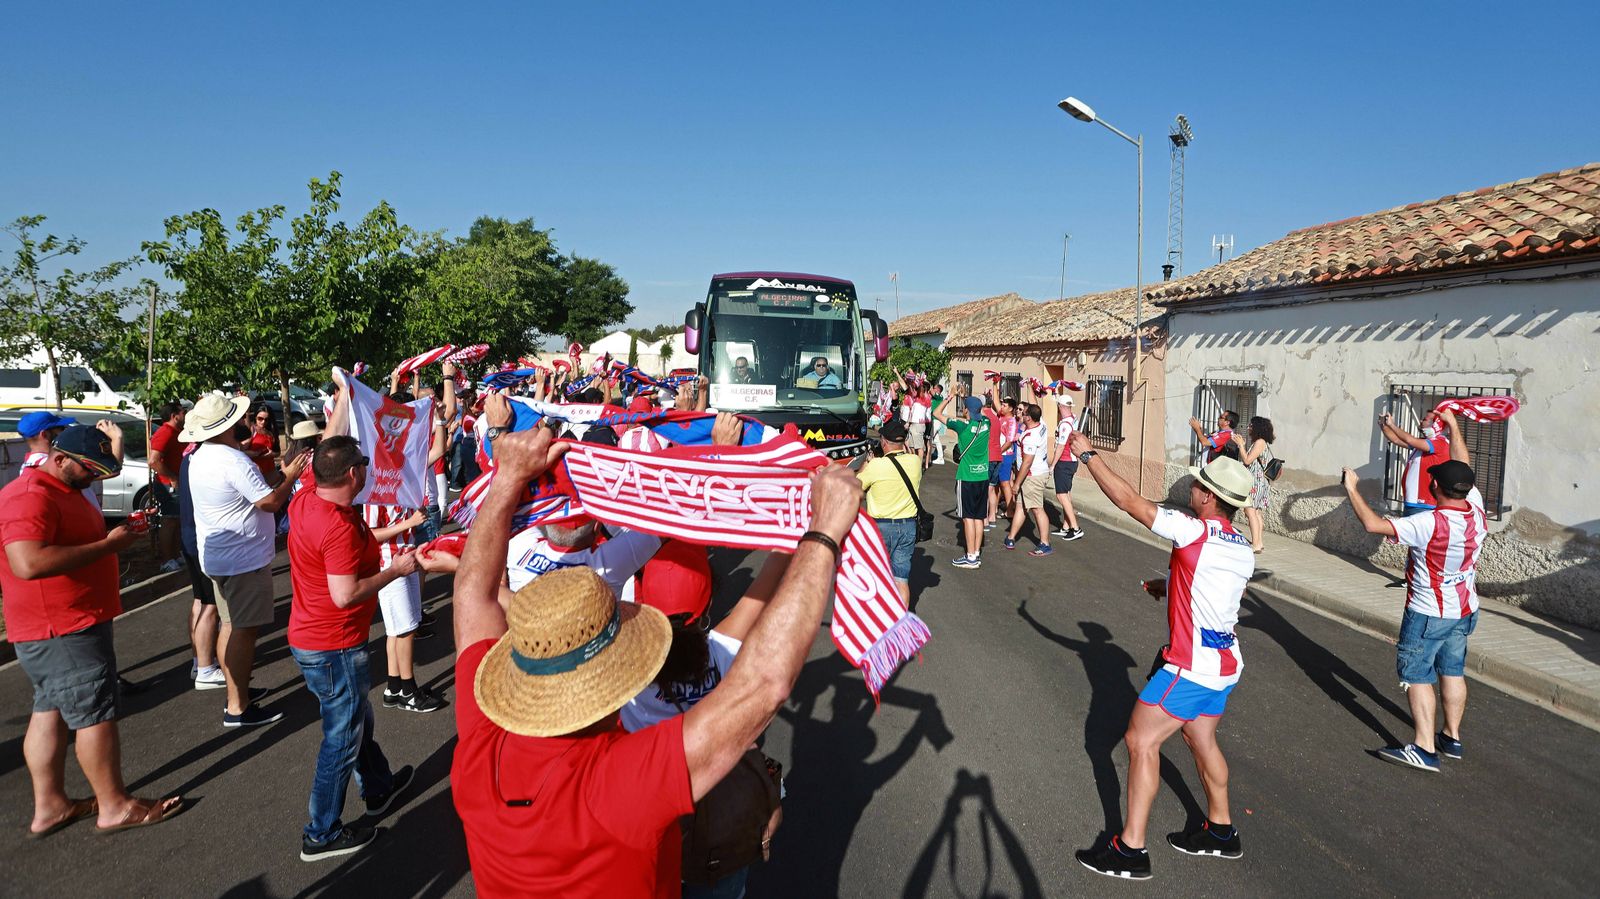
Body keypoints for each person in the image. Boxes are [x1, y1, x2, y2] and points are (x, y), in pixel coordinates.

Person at [447, 425, 862, 897]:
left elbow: (470, 596)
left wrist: (506, 481)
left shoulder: (478, 747)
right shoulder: (618, 781)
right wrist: (824, 534)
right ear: (610, 678)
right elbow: (763, 684)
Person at [1070, 431, 1254, 880]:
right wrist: (1170, 588)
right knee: (1201, 739)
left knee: (1140, 740)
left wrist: (1086, 455)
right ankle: (1221, 831)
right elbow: (1212, 592)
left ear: (1209, 497)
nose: (1191, 488)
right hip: (1225, 664)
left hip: (1190, 667)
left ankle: (1130, 850)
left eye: (1197, 484)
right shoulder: (1242, 546)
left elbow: (1130, 501)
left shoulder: (1192, 529)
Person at [1, 425, 184, 836]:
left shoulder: (59, 488)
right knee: (94, 714)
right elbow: (27, 563)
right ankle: (114, 806)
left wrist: (117, 535)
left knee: (49, 712)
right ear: (59, 457)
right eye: (87, 469)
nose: (92, 477)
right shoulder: (30, 496)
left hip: (60, 624)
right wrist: (108, 546)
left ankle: (50, 805)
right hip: (62, 626)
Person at [286, 436, 433, 860]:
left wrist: (345, 392)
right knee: (342, 737)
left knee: (355, 718)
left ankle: (378, 786)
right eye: (364, 464)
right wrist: (395, 570)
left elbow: (362, 538)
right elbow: (345, 594)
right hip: (333, 645)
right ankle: (322, 832)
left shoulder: (310, 499)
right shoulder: (334, 524)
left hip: (314, 640)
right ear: (355, 474)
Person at [623, 555, 790, 899]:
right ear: (710, 603)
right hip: (722, 827)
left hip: (653, 826)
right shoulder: (725, 650)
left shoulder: (624, 674)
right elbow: (770, 578)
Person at [1341, 409, 1478, 773]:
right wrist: (1453, 425)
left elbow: (1372, 524)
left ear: (1436, 488)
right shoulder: (1475, 509)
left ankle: (1424, 747)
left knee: (1418, 674)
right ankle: (1452, 736)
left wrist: (1353, 489)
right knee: (1453, 671)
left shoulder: (1428, 522)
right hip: (1464, 609)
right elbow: (1463, 463)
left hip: (1428, 610)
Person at [183, 393, 309, 727]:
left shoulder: (203, 456)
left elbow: (253, 491)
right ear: (227, 425)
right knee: (243, 630)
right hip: (242, 559)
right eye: (238, 419)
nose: (244, 422)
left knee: (231, 626)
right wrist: (291, 476)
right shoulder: (230, 459)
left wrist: (281, 475)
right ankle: (238, 705)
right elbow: (267, 502)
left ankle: (237, 695)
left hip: (222, 556)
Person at [856, 418, 922, 603]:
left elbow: (857, 485)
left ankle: (879, 619)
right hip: (908, 526)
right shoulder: (915, 462)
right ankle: (900, 622)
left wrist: (868, 462)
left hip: (880, 528)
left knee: (876, 577)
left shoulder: (876, 465)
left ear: (883, 442)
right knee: (901, 579)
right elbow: (903, 455)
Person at [178, 443, 223, 689]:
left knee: (200, 600)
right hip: (200, 537)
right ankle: (206, 667)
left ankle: (199, 661)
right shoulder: (204, 459)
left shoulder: (189, 457)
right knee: (211, 604)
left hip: (190, 535)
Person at [935, 387, 991, 569]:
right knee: (979, 517)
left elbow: (936, 413)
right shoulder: (986, 423)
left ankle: (970, 556)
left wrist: (950, 397)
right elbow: (981, 411)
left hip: (966, 477)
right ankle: (975, 554)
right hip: (982, 475)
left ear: (966, 410)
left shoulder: (961, 426)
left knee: (967, 518)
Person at [18, 410, 116, 508]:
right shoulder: (42, 464)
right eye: (61, 428)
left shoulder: (37, 462)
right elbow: (110, 470)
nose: (64, 431)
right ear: (45, 435)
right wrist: (116, 437)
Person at [1380, 407, 1453, 515]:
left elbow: (1409, 440)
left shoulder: (1440, 443)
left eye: (1425, 419)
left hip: (1425, 505)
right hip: (1412, 502)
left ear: (1435, 425)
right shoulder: (1424, 442)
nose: (1420, 421)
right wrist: (1383, 424)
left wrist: (1392, 425)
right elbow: (1395, 439)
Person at [1004, 403, 1053, 556]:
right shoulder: (1041, 424)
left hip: (1032, 476)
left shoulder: (1031, 437)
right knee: (1021, 507)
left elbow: (1027, 462)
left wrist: (1017, 483)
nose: (1021, 414)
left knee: (1037, 509)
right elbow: (1036, 406)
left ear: (1029, 418)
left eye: (1024, 413)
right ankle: (1011, 537)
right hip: (1032, 474)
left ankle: (1045, 543)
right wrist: (1031, 387)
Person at [148, 401, 187, 572]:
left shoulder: (177, 432)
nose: (185, 414)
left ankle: (176, 554)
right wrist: (172, 477)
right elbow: (153, 460)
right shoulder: (165, 432)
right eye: (183, 411)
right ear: (174, 415)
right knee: (170, 520)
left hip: (176, 483)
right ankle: (166, 560)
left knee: (178, 520)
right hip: (167, 485)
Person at [1048, 395, 1084, 541]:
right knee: (1067, 494)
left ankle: (1075, 528)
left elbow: (1061, 446)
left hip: (1065, 461)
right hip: (1072, 461)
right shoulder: (1073, 419)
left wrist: (1053, 464)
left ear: (1060, 407)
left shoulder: (1064, 425)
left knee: (1061, 495)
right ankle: (1066, 526)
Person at [1239, 416, 1275, 553]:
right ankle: (1259, 542)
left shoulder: (1260, 442)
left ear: (1257, 428)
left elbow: (1247, 461)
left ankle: (1255, 544)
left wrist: (1241, 446)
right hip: (1260, 481)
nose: (1248, 427)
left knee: (1250, 511)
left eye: (1251, 425)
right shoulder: (1260, 442)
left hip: (1256, 482)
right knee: (1256, 512)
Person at [982, 389, 1017, 529]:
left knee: (1004, 483)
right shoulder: (1001, 417)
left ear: (1011, 408)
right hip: (998, 454)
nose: (1001, 407)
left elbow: (1009, 442)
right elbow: (995, 402)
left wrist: (998, 451)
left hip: (1006, 455)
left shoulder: (1011, 422)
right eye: (1001, 405)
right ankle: (994, 510)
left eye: (1004, 405)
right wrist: (995, 384)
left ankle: (1010, 510)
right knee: (994, 485)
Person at [244, 403, 281, 483]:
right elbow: (241, 451)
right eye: (260, 418)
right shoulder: (252, 430)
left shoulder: (271, 432)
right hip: (255, 474)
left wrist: (272, 454)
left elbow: (278, 452)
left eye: (266, 419)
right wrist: (256, 454)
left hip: (270, 472)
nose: (263, 422)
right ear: (255, 417)